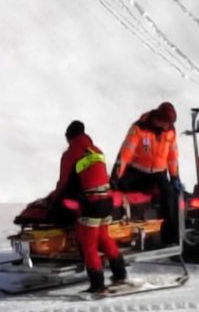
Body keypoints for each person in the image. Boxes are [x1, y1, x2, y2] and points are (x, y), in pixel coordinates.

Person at [50, 120, 126, 293]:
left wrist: (54, 202)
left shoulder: (71, 154)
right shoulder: (97, 150)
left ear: (70, 137)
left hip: (91, 204)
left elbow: (63, 183)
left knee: (89, 244)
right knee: (104, 238)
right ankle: (120, 274)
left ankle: (98, 284)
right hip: (107, 202)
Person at [112, 101, 181, 242]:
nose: (168, 126)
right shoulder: (139, 128)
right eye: (166, 123)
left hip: (158, 174)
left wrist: (175, 177)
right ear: (159, 119)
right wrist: (115, 175)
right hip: (137, 172)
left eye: (170, 124)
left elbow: (172, 156)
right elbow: (125, 153)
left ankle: (170, 236)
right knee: (117, 191)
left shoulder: (170, 131)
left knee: (170, 195)